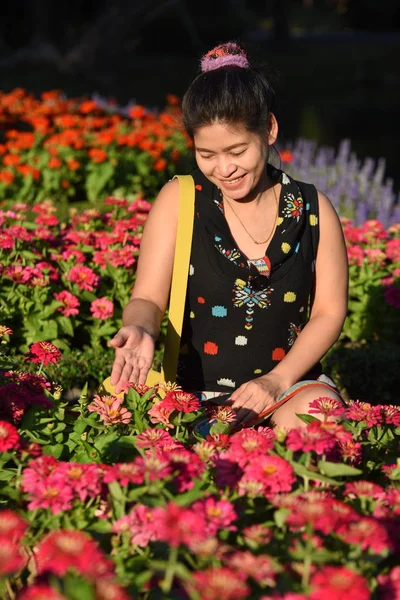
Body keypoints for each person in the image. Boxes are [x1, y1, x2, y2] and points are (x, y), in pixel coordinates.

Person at [108, 42, 348, 431]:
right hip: (191, 394)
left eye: (237, 151)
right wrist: (140, 328)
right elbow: (147, 298)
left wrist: (277, 380)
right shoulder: (181, 199)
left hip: (287, 387)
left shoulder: (313, 208)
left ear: (268, 129)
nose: (224, 169)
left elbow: (328, 312)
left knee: (321, 418)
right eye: (207, 155)